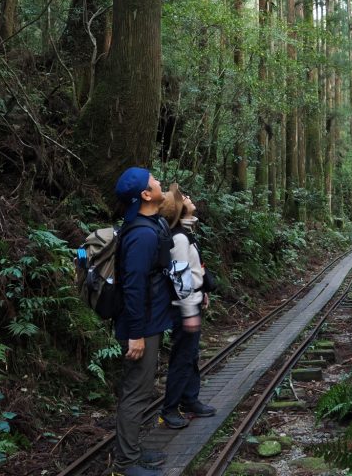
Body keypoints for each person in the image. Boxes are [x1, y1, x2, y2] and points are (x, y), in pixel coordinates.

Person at [111, 167, 177, 476]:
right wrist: (136, 334)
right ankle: (126, 463)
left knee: (140, 388)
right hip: (141, 326)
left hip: (149, 323)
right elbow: (134, 286)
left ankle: (133, 452)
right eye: (154, 181)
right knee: (136, 391)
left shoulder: (148, 226)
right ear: (145, 195)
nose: (160, 181)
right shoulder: (141, 234)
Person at [158, 186, 216, 428]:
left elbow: (193, 271)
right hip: (184, 307)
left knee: (191, 354)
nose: (190, 198)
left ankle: (190, 399)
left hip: (191, 302)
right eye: (185, 199)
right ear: (179, 209)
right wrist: (190, 310)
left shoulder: (185, 232)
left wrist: (202, 292)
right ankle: (170, 409)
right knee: (183, 356)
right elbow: (180, 278)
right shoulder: (180, 238)